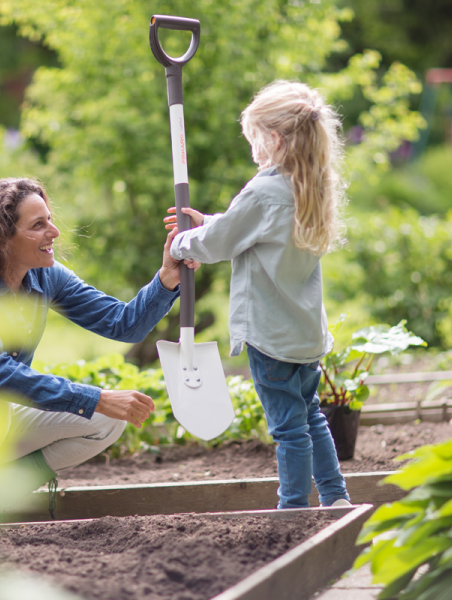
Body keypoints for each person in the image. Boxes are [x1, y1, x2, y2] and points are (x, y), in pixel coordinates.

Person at [0, 177, 196, 524]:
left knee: (106, 421)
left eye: (50, 220)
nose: (54, 232)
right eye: (38, 225)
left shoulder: (46, 277)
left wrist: (166, 279)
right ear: (0, 236)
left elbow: (124, 324)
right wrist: (95, 396)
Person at [164, 80, 350, 509]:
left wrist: (180, 244)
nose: (252, 148)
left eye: (252, 138)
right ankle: (336, 498)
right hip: (303, 335)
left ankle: (293, 509)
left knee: (288, 429)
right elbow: (251, 233)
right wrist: (210, 221)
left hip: (270, 336)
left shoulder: (264, 191)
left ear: (274, 139)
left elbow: (221, 242)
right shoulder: (309, 188)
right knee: (311, 417)